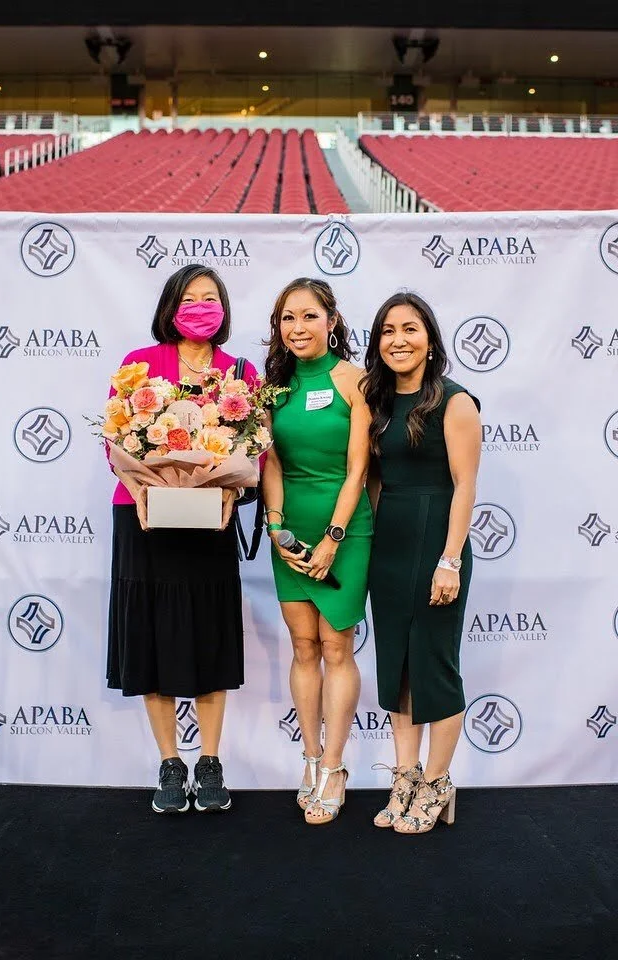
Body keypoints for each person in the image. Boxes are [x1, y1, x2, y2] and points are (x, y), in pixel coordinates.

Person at [106, 264, 259, 815]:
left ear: (224, 308)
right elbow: (114, 441)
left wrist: (230, 492)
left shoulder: (239, 372)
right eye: (189, 298)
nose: (200, 307)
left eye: (210, 298)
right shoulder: (138, 366)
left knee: (207, 635)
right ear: (170, 306)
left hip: (208, 521)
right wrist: (140, 487)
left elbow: (255, 449)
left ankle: (210, 762)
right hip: (145, 520)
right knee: (152, 637)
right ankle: (170, 763)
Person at [362, 292, 481, 834]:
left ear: (430, 339)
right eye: (388, 331)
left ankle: (437, 782)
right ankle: (405, 777)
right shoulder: (378, 402)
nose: (398, 340)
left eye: (410, 329)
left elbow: (464, 487)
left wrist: (450, 560)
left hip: (437, 541)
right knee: (397, 667)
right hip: (388, 544)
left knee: (434, 664)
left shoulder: (455, 402)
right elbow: (375, 481)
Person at [262, 278, 372, 825]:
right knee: (303, 646)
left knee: (336, 647)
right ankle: (309, 758)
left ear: (332, 320)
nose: (298, 327)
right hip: (289, 526)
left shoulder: (356, 380)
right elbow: (272, 463)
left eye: (309, 316)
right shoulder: (271, 388)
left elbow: (358, 469)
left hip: (345, 528)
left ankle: (334, 766)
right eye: (288, 318)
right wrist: (276, 528)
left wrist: (333, 537)